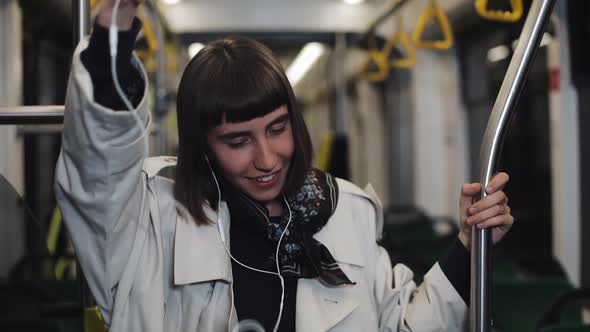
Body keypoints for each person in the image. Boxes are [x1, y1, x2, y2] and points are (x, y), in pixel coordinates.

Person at [54, 1, 514, 331]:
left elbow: (403, 326)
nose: (267, 159)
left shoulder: (344, 211)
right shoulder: (149, 219)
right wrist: (115, 26)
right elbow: (98, 162)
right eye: (237, 140)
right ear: (203, 145)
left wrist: (468, 249)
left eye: (277, 128)